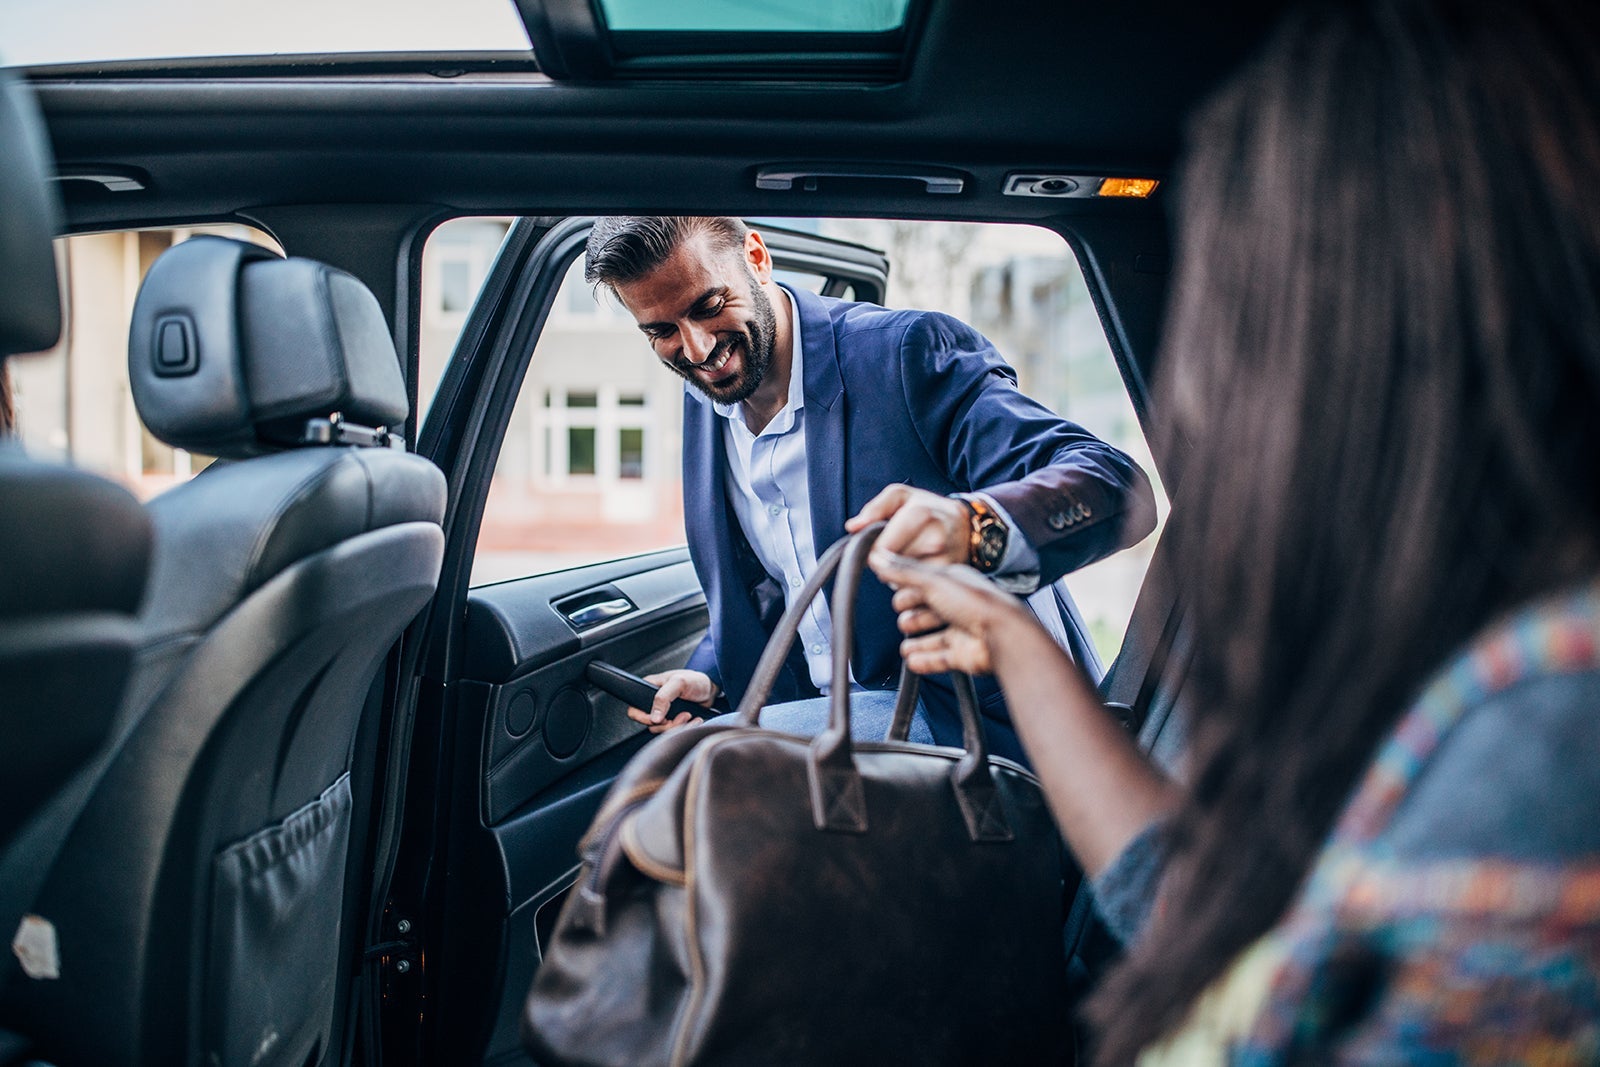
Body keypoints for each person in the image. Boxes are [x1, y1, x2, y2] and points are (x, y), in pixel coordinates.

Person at [870, 0, 1600, 1061]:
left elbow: (1107, 481)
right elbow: (1233, 930)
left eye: (1228, 311)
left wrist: (980, 529)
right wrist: (1010, 636)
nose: (1189, 402)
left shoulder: (1549, 734)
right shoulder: (1467, 662)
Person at [584, 216, 1156, 759]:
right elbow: (779, 581)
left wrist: (971, 529)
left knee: (693, 767)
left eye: (709, 306)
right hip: (826, 717)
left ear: (756, 258)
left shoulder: (906, 354)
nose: (698, 350)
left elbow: (1117, 487)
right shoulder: (707, 398)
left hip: (965, 720)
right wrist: (708, 676)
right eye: (661, 331)